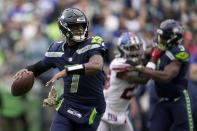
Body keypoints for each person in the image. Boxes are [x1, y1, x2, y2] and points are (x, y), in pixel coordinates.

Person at [13, 8, 108, 131]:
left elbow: (96, 65)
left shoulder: (92, 44)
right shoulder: (56, 49)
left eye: (82, 26)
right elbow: (40, 67)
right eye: (75, 27)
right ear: (64, 28)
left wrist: (68, 70)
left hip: (91, 107)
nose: (80, 30)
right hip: (68, 104)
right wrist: (26, 70)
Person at [128, 19, 195, 131]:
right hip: (163, 100)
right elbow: (143, 54)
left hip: (178, 100)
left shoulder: (180, 52)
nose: (160, 39)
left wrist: (141, 69)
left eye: (163, 37)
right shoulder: (158, 48)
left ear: (173, 39)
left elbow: (166, 76)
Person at [96, 32, 146, 131]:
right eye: (132, 48)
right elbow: (142, 75)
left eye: (137, 47)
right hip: (105, 112)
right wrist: (151, 62)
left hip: (121, 114)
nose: (136, 51)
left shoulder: (136, 64)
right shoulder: (117, 63)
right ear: (123, 49)